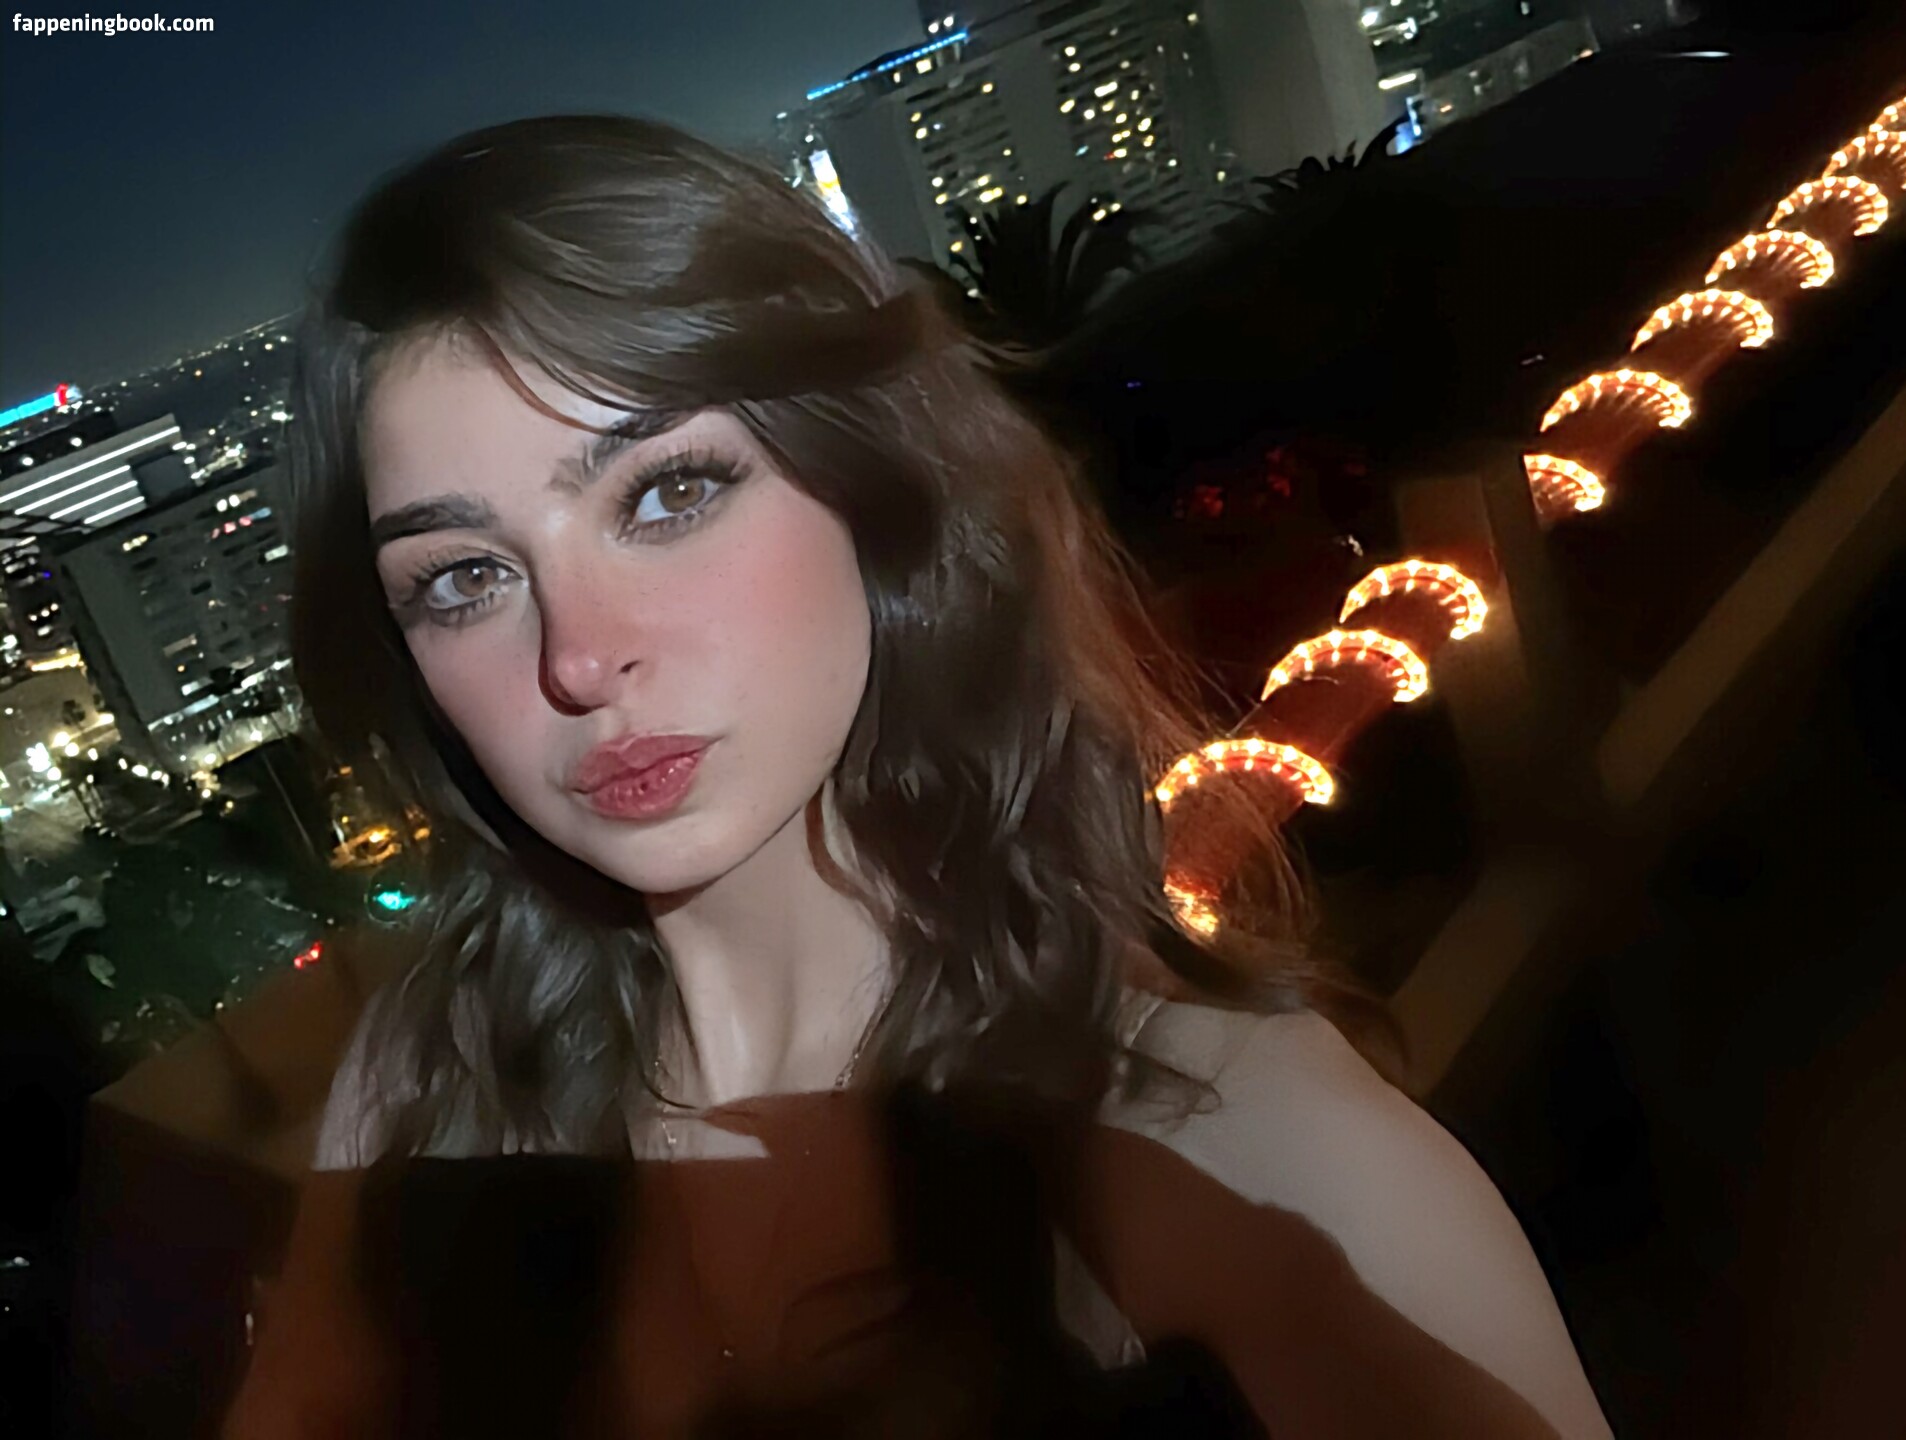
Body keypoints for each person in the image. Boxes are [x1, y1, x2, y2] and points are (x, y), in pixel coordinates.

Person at [222, 114, 1614, 1439]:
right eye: (464, 578)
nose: (580, 659)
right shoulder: (433, 1087)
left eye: (667, 493)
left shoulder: (1253, 1157)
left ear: (871, 487)